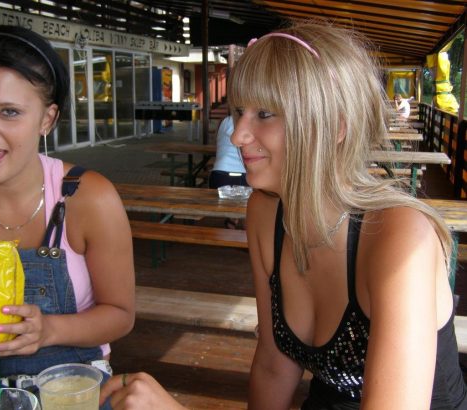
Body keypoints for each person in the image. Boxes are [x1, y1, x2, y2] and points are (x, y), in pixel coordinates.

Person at [100, 21, 466, 409]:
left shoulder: (401, 236)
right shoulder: (266, 211)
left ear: (335, 125)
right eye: (239, 112)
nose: (237, 135)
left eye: (265, 113)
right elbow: (275, 365)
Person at [0, 25, 135, 389]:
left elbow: (121, 315)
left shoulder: (88, 197)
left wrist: (49, 329)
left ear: (47, 119)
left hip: (72, 387)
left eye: (9, 112)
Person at [209, 114, 249, 228]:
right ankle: (242, 229)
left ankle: (232, 222)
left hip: (218, 176)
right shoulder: (239, 122)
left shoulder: (224, 121)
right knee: (255, 201)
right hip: (236, 178)